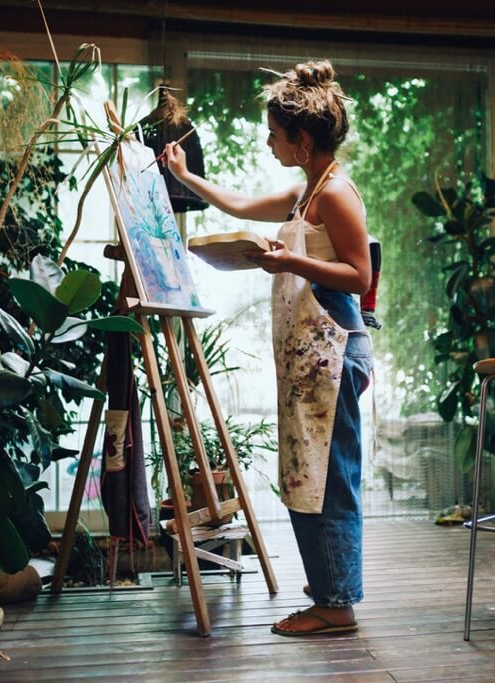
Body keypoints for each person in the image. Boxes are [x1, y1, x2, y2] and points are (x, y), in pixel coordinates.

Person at [163, 60, 374, 636]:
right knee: (309, 473)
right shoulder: (307, 191)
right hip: (313, 356)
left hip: (333, 349)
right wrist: (186, 176)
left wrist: (289, 262)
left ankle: (336, 604)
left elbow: (359, 275)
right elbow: (238, 205)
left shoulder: (336, 194)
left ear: (302, 139)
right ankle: (330, 582)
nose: (268, 142)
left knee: (328, 478)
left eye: (274, 134)